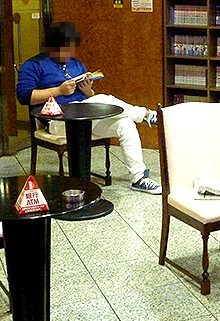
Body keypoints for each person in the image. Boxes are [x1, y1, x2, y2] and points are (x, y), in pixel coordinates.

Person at [16, 21, 161, 195]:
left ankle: (139, 178)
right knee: (104, 99)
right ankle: (145, 115)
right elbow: (24, 97)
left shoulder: (76, 64)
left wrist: (88, 91)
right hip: (58, 120)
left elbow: (91, 97)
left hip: (86, 117)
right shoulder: (33, 65)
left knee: (125, 123)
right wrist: (58, 91)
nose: (69, 53)